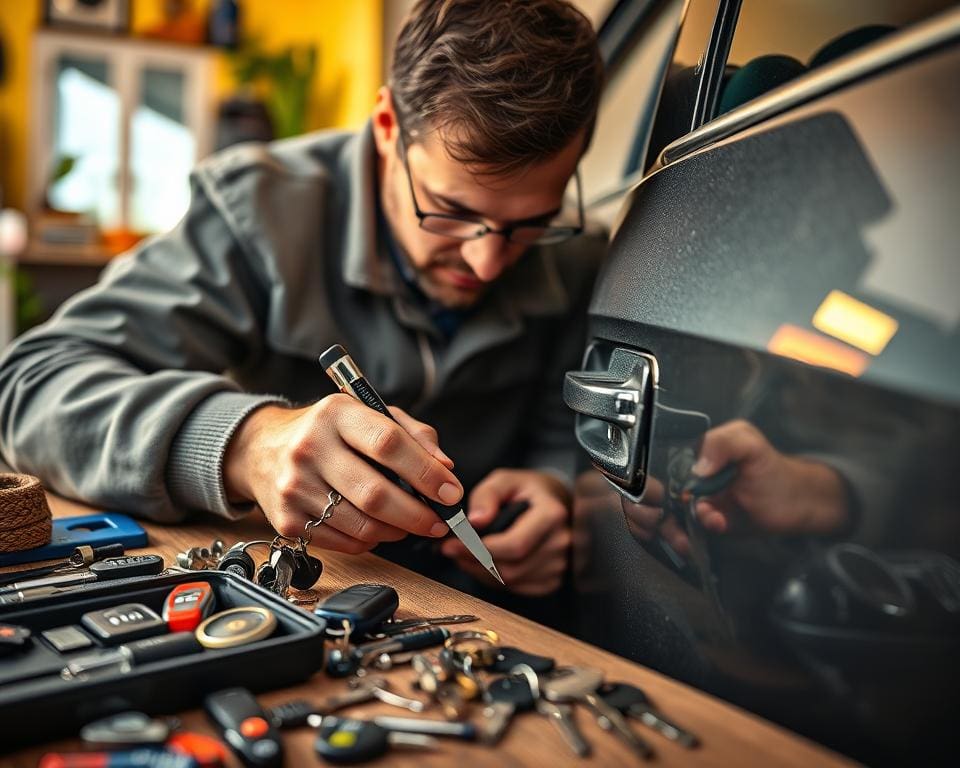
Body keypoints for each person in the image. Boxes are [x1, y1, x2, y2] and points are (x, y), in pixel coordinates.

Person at [0, 0, 605, 601]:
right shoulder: (256, 211)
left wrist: (555, 487)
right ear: (388, 126)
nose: (488, 262)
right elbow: (30, 386)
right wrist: (244, 443)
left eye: (531, 224)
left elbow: (564, 428)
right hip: (294, 593)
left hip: (478, 604)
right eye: (450, 214)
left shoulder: (582, 257)